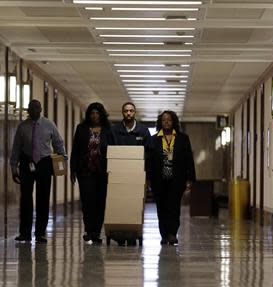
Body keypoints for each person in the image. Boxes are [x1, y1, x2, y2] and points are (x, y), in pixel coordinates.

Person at [10, 99, 67, 243]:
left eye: (36, 108)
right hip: (26, 162)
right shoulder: (22, 127)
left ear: (41, 109)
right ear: (28, 110)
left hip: (44, 163)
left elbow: (58, 142)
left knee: (43, 198)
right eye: (31, 108)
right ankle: (25, 233)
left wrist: (63, 159)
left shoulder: (49, 124)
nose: (34, 110)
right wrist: (13, 167)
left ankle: (40, 232)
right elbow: (16, 148)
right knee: (26, 199)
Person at [147, 110, 196, 246]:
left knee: (174, 207)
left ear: (173, 121)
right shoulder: (154, 139)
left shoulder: (182, 138)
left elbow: (189, 159)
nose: (166, 122)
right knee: (161, 208)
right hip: (159, 179)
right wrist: (148, 179)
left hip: (177, 179)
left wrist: (190, 179)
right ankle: (164, 234)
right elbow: (149, 161)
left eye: (169, 119)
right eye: (164, 120)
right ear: (160, 122)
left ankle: (172, 234)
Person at [70, 102, 112, 245]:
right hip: (85, 170)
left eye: (97, 113)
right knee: (87, 201)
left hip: (102, 171)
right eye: (92, 113)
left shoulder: (108, 130)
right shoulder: (81, 129)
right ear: (88, 115)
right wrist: (72, 170)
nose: (94, 116)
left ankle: (96, 231)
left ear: (101, 115)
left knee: (100, 202)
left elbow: (113, 150)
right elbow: (75, 150)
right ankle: (88, 230)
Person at [110, 101, 150, 246]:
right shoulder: (114, 130)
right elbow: (110, 150)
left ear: (135, 112)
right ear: (122, 112)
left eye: (131, 111)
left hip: (137, 176)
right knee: (119, 204)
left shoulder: (143, 131)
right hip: (118, 175)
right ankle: (119, 233)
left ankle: (134, 233)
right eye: (126, 111)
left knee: (135, 205)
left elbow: (149, 153)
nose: (128, 113)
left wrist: (147, 176)